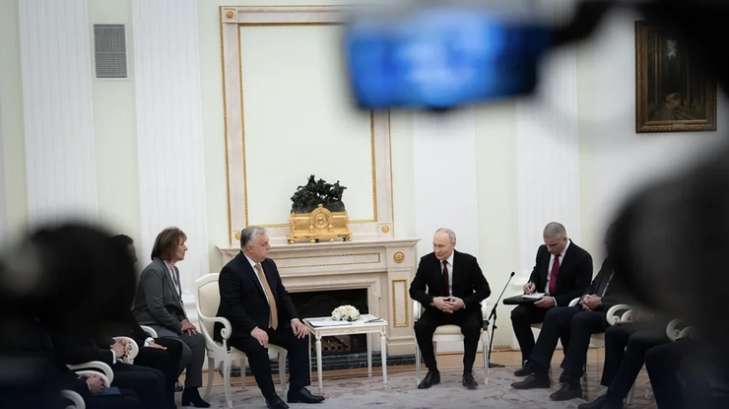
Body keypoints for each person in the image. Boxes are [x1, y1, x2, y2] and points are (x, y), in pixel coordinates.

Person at [215, 226, 324, 409]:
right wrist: (252, 329)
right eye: (264, 244)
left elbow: (281, 294)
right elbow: (232, 307)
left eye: (268, 243)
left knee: (300, 335)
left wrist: (294, 319)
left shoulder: (269, 264)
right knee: (257, 346)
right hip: (240, 328)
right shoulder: (231, 270)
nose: (269, 247)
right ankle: (271, 397)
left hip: (269, 324)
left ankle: (297, 390)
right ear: (249, 248)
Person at [511, 257, 624, 400]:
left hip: (611, 313)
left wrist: (601, 301)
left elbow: (636, 297)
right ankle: (539, 373)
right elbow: (593, 285)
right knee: (554, 314)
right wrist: (585, 298)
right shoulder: (610, 260)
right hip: (589, 308)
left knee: (580, 320)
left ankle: (571, 383)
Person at [133, 227, 209, 407]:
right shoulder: (154, 271)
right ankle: (164, 385)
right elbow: (156, 308)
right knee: (184, 350)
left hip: (167, 322)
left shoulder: (173, 270)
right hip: (151, 323)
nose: (186, 248)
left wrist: (184, 320)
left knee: (198, 340)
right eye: (182, 244)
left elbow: (176, 303)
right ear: (169, 247)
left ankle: (191, 391)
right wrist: (179, 325)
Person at [409, 228, 491, 390]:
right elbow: (414, 290)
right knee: (421, 327)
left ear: (453, 244)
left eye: (441, 246)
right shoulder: (426, 262)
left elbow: (484, 290)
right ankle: (433, 372)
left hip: (464, 309)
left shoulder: (468, 261)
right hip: (437, 310)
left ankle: (467, 372)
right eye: (434, 245)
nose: (436, 250)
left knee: (473, 327)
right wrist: (433, 301)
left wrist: (464, 302)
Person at [511, 222, 592, 371]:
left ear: (564, 239)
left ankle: (560, 365)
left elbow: (582, 290)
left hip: (563, 305)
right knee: (518, 314)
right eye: (547, 244)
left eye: (553, 245)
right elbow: (537, 272)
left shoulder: (582, 257)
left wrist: (554, 301)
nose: (549, 249)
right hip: (541, 300)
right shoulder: (543, 250)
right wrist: (532, 283)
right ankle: (530, 360)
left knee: (554, 315)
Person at [578, 320, 669, 409]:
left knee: (637, 341)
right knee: (614, 333)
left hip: (670, 327)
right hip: (652, 322)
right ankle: (609, 393)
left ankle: (613, 398)